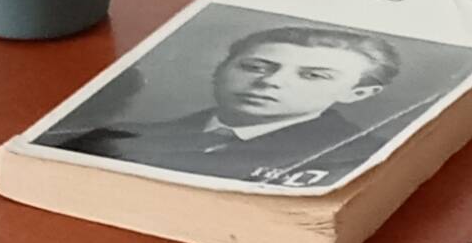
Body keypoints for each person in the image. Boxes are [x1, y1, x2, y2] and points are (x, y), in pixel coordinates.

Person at [42, 22, 410, 186]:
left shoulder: (359, 160)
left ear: (357, 93)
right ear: (221, 70)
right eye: (254, 66)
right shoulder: (110, 140)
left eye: (314, 75)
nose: (270, 81)